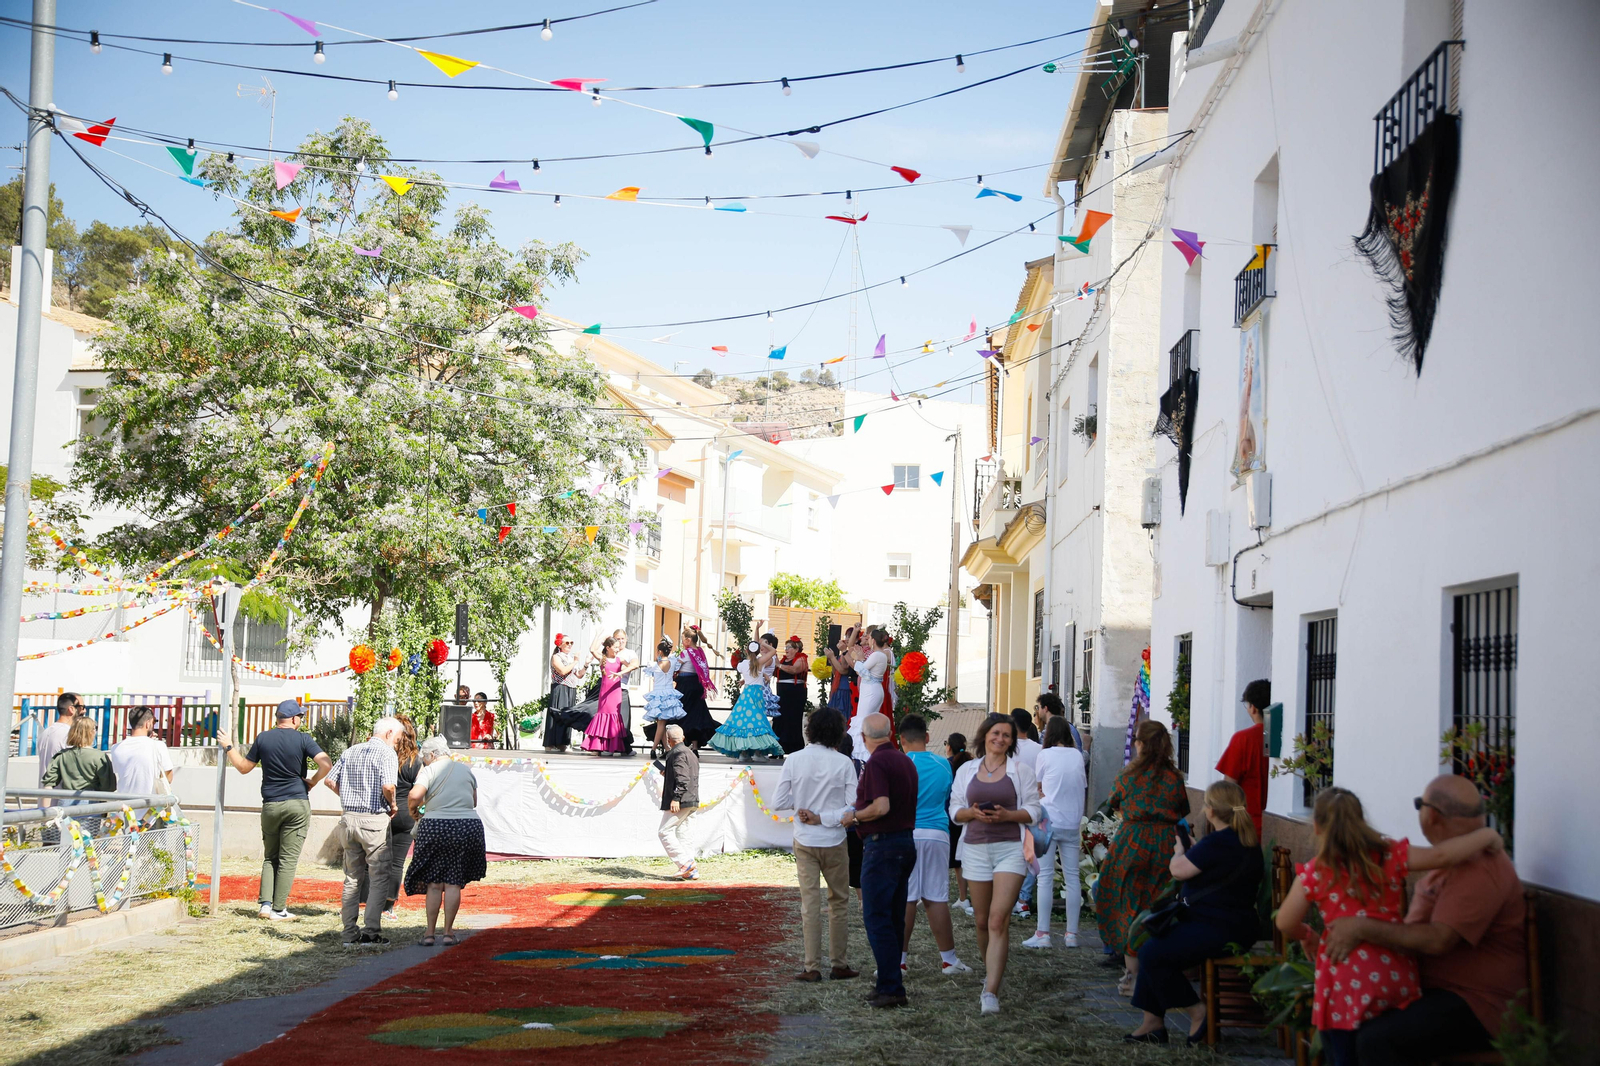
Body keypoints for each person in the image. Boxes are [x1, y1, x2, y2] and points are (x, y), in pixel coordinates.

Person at [1275, 786, 1505, 1066]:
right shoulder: (1391, 855)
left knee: (1345, 1055)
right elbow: (1442, 856)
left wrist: (1307, 935)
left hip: (1344, 983)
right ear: (1361, 821)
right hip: (1392, 975)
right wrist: (1487, 835)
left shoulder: (1316, 870)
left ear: (1317, 826)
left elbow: (1285, 921)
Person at [1124, 780, 1265, 1045]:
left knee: (1152, 954)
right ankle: (1151, 1024)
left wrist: (1179, 852)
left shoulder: (1220, 841)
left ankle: (1197, 1012)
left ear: (1211, 810)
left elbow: (1178, 870)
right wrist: (1195, 848)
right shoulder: (1243, 840)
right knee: (1155, 945)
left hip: (1218, 928)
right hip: (1233, 925)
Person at [949, 712, 1041, 1016]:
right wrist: (971, 813)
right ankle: (991, 969)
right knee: (981, 920)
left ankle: (991, 990)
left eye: (1006, 735)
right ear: (985, 734)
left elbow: (1034, 811)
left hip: (1010, 849)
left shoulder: (1020, 771)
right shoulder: (968, 770)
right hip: (975, 849)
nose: (1000, 739)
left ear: (1012, 741)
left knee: (999, 920)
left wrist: (1008, 816)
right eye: (996, 733)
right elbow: (954, 810)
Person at [1094, 719, 1191, 995]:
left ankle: (1131, 975)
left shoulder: (1127, 776)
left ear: (1141, 744)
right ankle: (1157, 969)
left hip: (1132, 842)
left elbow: (1113, 803)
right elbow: (1182, 810)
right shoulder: (1174, 778)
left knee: (1125, 903)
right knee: (1159, 904)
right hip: (1165, 845)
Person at [218, 699, 333, 920]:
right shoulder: (303, 739)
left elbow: (243, 767)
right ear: (292, 719)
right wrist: (313, 781)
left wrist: (229, 747)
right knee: (288, 859)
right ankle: (279, 910)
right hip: (296, 804)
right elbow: (326, 764)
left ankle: (265, 906)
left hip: (270, 804)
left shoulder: (263, 738)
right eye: (300, 716)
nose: (301, 720)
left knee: (270, 856)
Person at [774, 708, 860, 983]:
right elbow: (853, 806)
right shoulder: (844, 763)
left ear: (809, 730)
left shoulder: (795, 760)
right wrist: (825, 818)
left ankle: (811, 967)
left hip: (806, 841)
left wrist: (801, 808)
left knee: (809, 904)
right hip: (834, 839)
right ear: (838, 732)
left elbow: (778, 802)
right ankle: (839, 963)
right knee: (839, 902)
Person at [839, 713, 918, 1008]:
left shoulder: (877, 763)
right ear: (890, 733)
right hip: (905, 842)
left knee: (877, 918)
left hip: (882, 845)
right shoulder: (904, 761)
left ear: (863, 737)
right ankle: (890, 980)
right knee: (894, 917)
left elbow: (881, 806)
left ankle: (891, 986)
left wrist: (855, 816)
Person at [900, 715, 970, 976]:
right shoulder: (944, 765)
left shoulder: (901, 763)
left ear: (901, 739)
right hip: (938, 833)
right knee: (937, 898)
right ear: (927, 738)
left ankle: (899, 961)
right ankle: (949, 960)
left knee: (907, 898)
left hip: (908, 833)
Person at [404, 736, 487, 947]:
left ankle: (429, 934)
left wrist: (413, 810)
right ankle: (449, 933)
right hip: (467, 826)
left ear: (432, 755)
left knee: (433, 884)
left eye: (424, 757)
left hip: (435, 826)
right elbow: (473, 801)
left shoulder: (430, 770)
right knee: (453, 882)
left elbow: (415, 794)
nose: (423, 761)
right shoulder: (465, 770)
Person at [327, 717, 402, 947]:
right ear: (389, 733)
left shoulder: (351, 751)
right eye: (397, 739)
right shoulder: (387, 753)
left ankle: (349, 934)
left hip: (349, 819)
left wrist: (349, 799)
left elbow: (330, 781)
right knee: (379, 877)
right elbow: (388, 786)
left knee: (351, 878)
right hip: (374, 820)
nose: (397, 744)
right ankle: (371, 933)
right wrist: (393, 804)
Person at [1025, 716, 1087, 949]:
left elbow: (1038, 784)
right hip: (1072, 822)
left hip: (1048, 820)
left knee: (1045, 877)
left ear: (1048, 733)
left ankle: (1043, 933)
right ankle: (1071, 934)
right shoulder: (1077, 756)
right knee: (1072, 877)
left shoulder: (1045, 754)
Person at [358, 715, 421, 919]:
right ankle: (388, 906)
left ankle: (365, 901)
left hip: (381, 809)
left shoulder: (381, 755)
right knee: (396, 863)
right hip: (405, 814)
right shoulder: (414, 762)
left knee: (372, 859)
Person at [710, 641, 784, 761]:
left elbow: (749, 673)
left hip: (746, 694)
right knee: (757, 722)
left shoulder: (743, 664)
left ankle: (744, 752)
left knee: (744, 723)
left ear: (746, 651)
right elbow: (773, 651)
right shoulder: (760, 662)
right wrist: (763, 644)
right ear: (758, 651)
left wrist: (746, 680)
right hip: (757, 694)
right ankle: (757, 752)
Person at [1216, 679, 1271, 840]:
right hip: (1272, 828)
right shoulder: (1283, 738)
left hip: (1246, 826)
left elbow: (1229, 786)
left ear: (1253, 707)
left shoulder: (1243, 739)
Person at [41, 715, 114, 835]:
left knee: (66, 841)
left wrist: (45, 814)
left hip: (65, 801)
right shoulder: (99, 757)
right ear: (91, 732)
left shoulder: (62, 756)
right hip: (91, 803)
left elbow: (48, 784)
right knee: (87, 843)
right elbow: (108, 787)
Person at [1010, 707, 1045, 919]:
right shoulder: (1039, 749)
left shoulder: (1007, 748)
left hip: (1011, 806)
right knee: (1030, 854)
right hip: (1032, 805)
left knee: (1010, 853)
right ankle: (1023, 899)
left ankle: (1011, 897)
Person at [656, 724, 701, 880]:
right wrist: (667, 774)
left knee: (664, 832)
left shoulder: (676, 754)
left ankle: (685, 864)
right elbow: (686, 776)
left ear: (668, 740)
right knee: (684, 835)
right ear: (682, 738)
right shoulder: (690, 753)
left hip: (681, 800)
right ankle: (691, 869)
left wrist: (676, 798)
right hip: (692, 799)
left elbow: (683, 779)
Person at [847, 629, 893, 759]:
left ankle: (863, 755)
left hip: (871, 690)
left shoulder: (877, 655)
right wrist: (859, 659)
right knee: (864, 719)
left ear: (873, 640)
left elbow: (862, 670)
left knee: (863, 720)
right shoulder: (879, 655)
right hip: (872, 689)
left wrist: (859, 659)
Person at [582, 637, 632, 755]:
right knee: (602, 717)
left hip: (615, 692)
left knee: (614, 716)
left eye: (618, 647)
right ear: (608, 648)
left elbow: (632, 666)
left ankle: (612, 747)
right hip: (605, 692)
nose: (617, 649)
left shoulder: (620, 659)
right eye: (615, 647)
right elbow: (592, 649)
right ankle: (597, 746)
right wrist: (598, 635)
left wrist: (621, 672)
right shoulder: (602, 659)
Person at [111, 707, 175, 795]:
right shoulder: (158, 746)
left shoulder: (116, 748)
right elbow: (169, 777)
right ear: (148, 723)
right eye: (153, 722)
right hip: (151, 805)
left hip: (125, 805)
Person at [673, 625, 717, 750]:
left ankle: (680, 743)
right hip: (697, 685)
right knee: (696, 715)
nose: (682, 642)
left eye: (683, 639)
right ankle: (695, 745)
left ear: (688, 640)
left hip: (685, 685)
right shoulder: (700, 652)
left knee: (682, 714)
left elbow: (676, 666)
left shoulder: (686, 653)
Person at [642, 639, 687, 758]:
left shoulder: (654, 665)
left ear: (660, 652)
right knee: (661, 723)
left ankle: (653, 749)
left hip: (658, 693)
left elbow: (651, 672)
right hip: (668, 692)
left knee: (661, 723)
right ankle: (666, 747)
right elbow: (680, 661)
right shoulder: (673, 662)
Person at [945, 732, 974, 916]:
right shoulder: (971, 764)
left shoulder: (946, 764)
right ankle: (965, 897)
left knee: (957, 861)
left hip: (953, 813)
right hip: (971, 812)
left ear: (948, 746)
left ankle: (963, 897)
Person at [544, 633, 586, 752]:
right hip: (560, 687)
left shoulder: (571, 659)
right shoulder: (557, 657)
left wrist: (586, 665)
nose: (569, 645)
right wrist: (575, 661)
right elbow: (562, 671)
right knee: (557, 714)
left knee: (567, 716)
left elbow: (578, 675)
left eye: (571, 643)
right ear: (560, 644)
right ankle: (551, 743)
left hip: (571, 688)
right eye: (567, 642)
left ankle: (563, 743)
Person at [773, 636, 809, 754]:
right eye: (786, 647)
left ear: (796, 649)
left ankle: (794, 747)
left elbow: (795, 670)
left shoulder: (801, 658)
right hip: (782, 692)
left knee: (792, 718)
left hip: (795, 693)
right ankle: (778, 747)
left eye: (789, 647)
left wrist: (779, 665)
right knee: (780, 719)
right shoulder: (783, 660)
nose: (786, 650)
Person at [36, 692, 81, 780]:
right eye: (81, 707)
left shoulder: (46, 732)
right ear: (71, 709)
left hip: (45, 789)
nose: (84, 711)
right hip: (61, 791)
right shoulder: (69, 734)